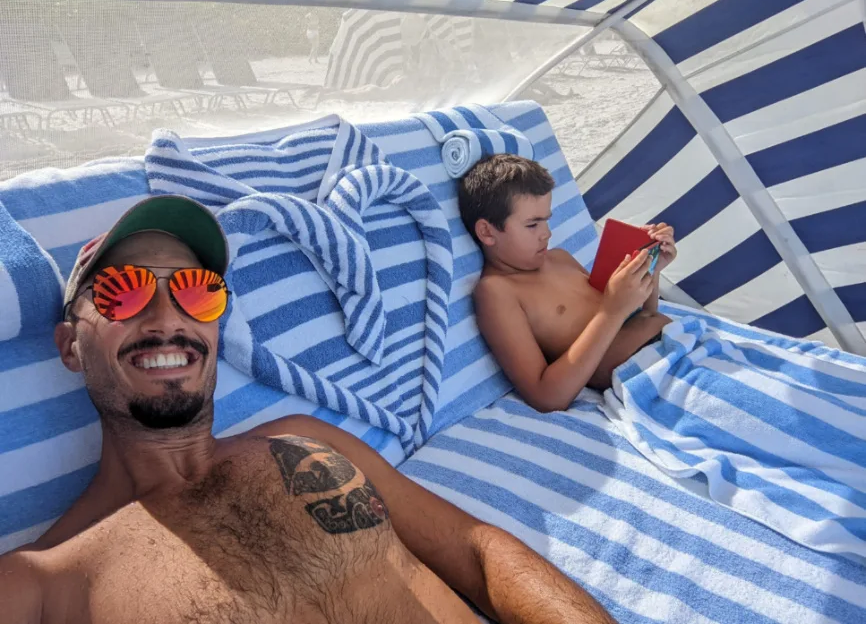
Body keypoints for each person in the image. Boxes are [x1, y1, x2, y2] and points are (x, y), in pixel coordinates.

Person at [0, 195, 616, 624]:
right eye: (122, 291)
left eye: (197, 291)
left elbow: (479, 555)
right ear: (69, 347)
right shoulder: (37, 583)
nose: (168, 319)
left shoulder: (302, 442)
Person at [460, 154, 677, 413]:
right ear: (487, 232)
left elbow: (642, 318)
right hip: (655, 376)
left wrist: (652, 269)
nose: (547, 233)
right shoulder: (497, 291)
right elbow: (546, 397)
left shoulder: (560, 259)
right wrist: (612, 311)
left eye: (546, 219)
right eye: (532, 224)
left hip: (680, 342)